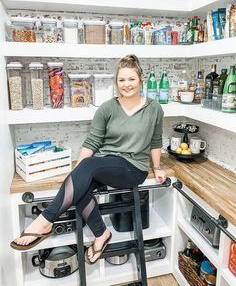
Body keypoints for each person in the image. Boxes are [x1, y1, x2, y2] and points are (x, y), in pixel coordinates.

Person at [10, 54, 166, 264]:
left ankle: (45, 221)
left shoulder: (154, 109)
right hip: (105, 164)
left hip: (132, 168)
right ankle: (102, 234)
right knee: (79, 186)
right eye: (121, 80)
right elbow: (92, 143)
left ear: (140, 79)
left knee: (87, 168)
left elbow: (156, 141)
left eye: (131, 79)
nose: (126, 84)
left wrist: (157, 167)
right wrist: (75, 173)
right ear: (116, 82)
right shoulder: (108, 108)